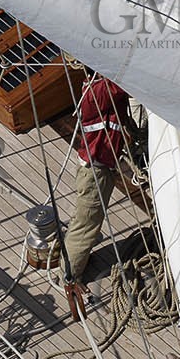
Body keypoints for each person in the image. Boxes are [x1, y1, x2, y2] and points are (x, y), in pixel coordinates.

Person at [63, 74, 131, 320]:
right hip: (96, 170)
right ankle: (70, 277)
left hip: (97, 167)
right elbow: (125, 82)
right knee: (86, 226)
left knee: (86, 222)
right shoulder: (101, 89)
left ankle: (74, 265)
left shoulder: (94, 85)